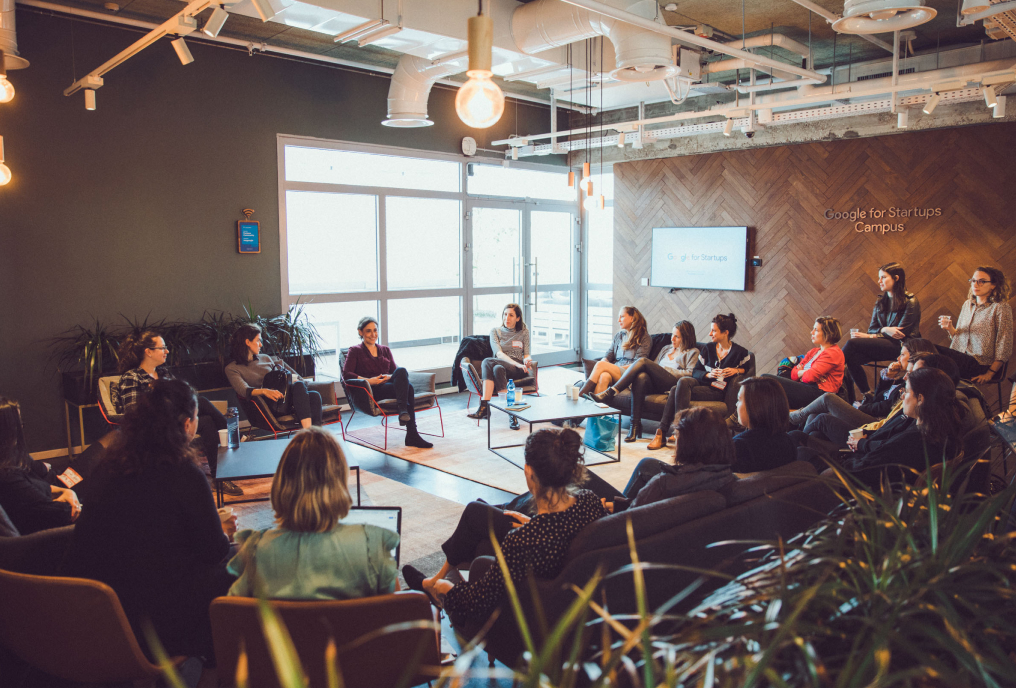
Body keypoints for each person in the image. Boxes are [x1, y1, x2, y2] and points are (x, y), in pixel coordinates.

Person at [61, 379, 236, 659]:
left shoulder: (107, 466)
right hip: (157, 619)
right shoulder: (185, 473)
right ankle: (214, 667)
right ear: (187, 424)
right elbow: (212, 551)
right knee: (237, 564)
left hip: (98, 610)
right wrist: (224, 531)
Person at [400, 428, 607, 626]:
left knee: (479, 525)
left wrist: (447, 589)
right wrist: (532, 522)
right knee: (485, 518)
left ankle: (434, 584)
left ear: (529, 472)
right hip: (574, 600)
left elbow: (476, 603)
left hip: (525, 619)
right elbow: (561, 529)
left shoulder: (523, 540)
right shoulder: (589, 502)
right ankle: (439, 576)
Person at [227, 428, 399, 599]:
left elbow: (231, 614)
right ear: (339, 482)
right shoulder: (372, 546)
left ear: (281, 482)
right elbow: (403, 613)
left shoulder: (256, 551)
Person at [115, 330, 237, 495]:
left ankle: (219, 477)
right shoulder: (132, 377)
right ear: (148, 352)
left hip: (177, 419)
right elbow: (133, 412)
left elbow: (181, 397)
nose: (167, 351)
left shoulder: (164, 373)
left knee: (207, 421)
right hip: (155, 426)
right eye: (162, 348)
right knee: (201, 402)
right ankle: (231, 432)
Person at [788, 338, 937, 445]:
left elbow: (885, 408)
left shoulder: (915, 385)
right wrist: (886, 378)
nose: (898, 358)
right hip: (872, 415)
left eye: (902, 354)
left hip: (876, 423)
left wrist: (861, 407)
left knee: (828, 399)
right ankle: (804, 445)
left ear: (915, 356)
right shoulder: (902, 378)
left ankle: (795, 427)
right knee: (815, 416)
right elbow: (878, 398)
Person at [839, 367, 965, 487]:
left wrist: (843, 460)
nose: (903, 396)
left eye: (906, 391)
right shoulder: (941, 427)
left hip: (868, 491)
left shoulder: (915, 439)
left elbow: (861, 472)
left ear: (920, 399)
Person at [604, 407, 735, 513]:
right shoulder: (728, 478)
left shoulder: (662, 484)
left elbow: (626, 520)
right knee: (647, 464)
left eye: (677, 435)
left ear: (687, 444)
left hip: (622, 537)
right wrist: (618, 506)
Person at [648, 313, 749, 451]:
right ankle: (678, 433)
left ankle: (664, 433)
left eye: (714, 330)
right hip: (702, 384)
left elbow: (749, 369)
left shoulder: (740, 352)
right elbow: (695, 371)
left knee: (674, 390)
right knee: (682, 382)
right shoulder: (708, 349)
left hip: (717, 391)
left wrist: (736, 371)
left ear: (725, 333)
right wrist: (708, 374)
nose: (710, 334)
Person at [589, 321, 700, 442]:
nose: (672, 338)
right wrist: (658, 370)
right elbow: (655, 365)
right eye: (672, 335)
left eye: (677, 336)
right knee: (640, 377)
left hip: (672, 383)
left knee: (643, 361)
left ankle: (611, 392)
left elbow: (690, 373)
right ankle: (635, 426)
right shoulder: (666, 348)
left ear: (686, 337)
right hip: (657, 382)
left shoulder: (693, 352)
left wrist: (664, 370)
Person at [342, 317, 433, 449]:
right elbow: (347, 374)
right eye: (368, 331)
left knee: (402, 372)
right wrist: (370, 380)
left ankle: (404, 414)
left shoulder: (385, 350)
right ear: (360, 332)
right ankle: (411, 433)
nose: (373, 334)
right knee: (410, 388)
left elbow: (395, 372)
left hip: (388, 386)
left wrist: (388, 377)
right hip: (371, 391)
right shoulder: (355, 351)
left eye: (375, 330)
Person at [841, 262, 922, 403]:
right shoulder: (880, 302)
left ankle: (830, 367)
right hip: (885, 345)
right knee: (852, 357)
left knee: (851, 344)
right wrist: (885, 330)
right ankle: (867, 395)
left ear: (896, 278)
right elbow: (872, 329)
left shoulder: (911, 301)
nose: (879, 281)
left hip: (903, 348)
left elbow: (900, 334)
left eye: (883, 277)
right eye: (879, 278)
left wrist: (871, 336)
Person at [0, 397, 83, 534]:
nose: (22, 427)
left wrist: (65, 492)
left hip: (60, 487)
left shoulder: (10, 458)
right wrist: (64, 498)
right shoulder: (8, 477)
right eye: (19, 423)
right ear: (9, 430)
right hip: (57, 530)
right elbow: (59, 513)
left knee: (102, 454)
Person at [225, 323, 323, 429]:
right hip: (268, 406)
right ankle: (309, 433)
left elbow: (296, 376)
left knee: (314, 395)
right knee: (301, 387)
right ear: (247, 342)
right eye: (258, 340)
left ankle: (315, 435)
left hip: (286, 398)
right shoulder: (232, 368)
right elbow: (244, 390)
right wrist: (265, 391)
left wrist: (293, 381)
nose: (261, 345)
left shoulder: (266, 358)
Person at [936, 266, 1013, 383]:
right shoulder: (967, 304)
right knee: (923, 351)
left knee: (931, 355)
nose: (976, 284)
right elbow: (959, 339)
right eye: (973, 280)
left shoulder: (1000, 307)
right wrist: (949, 328)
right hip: (959, 357)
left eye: (981, 281)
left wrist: (990, 373)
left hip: (980, 364)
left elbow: (1004, 344)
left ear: (993, 285)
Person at [466, 303, 533, 430]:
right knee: (496, 368)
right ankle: (511, 415)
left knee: (487, 362)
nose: (507, 318)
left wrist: (527, 361)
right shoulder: (495, 331)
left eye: (511, 315)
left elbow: (527, 354)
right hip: (503, 364)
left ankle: (484, 407)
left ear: (518, 318)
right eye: (505, 314)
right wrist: (517, 364)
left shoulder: (524, 331)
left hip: (518, 369)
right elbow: (499, 354)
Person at [763, 317, 844, 408]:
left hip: (820, 394)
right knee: (772, 398)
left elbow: (809, 377)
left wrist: (802, 373)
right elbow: (793, 375)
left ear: (828, 334)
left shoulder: (833, 353)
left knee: (765, 379)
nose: (812, 332)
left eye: (816, 330)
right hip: (806, 387)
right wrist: (806, 372)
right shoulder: (814, 351)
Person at [577, 306, 651, 398]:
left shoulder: (644, 338)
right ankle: (597, 410)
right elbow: (608, 356)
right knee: (604, 376)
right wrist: (608, 367)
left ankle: (580, 395)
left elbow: (638, 363)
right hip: (616, 372)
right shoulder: (619, 336)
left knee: (601, 365)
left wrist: (610, 368)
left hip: (630, 374)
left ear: (632, 318)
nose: (618, 320)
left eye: (622, 317)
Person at [730, 377, 798, 473]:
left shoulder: (738, 447)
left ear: (754, 405)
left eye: (739, 399)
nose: (736, 404)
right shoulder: (789, 442)